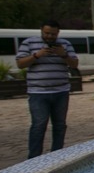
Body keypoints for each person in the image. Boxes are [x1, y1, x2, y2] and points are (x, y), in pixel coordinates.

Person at [17, 20, 79, 159]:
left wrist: (63, 55)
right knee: (39, 125)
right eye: (47, 33)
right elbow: (20, 64)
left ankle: (56, 155)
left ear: (58, 33)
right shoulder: (29, 43)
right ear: (41, 30)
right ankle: (34, 158)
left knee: (60, 125)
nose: (50, 37)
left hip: (61, 91)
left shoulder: (65, 44)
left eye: (53, 34)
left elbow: (74, 64)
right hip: (38, 93)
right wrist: (36, 55)